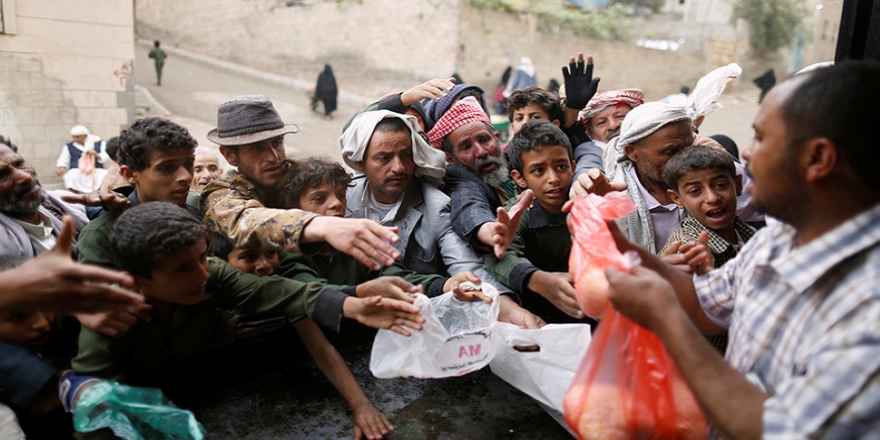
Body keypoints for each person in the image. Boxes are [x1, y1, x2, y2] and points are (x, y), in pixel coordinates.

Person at [603, 60, 880, 439]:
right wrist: (625, 253)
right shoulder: (777, 239)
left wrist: (667, 319)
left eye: (762, 138)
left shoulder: (869, 313)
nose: (746, 154)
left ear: (817, 159)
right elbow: (708, 307)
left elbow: (777, 430)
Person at [71, 202, 423, 438]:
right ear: (138, 280)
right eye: (181, 269)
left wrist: (354, 304)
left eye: (201, 259)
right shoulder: (108, 318)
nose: (200, 275)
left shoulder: (212, 274)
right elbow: (96, 407)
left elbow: (279, 293)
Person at [274, 157, 543, 330]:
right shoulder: (288, 253)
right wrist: (364, 291)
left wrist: (446, 285)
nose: (335, 204)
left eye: (339, 195)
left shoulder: (356, 241)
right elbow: (315, 295)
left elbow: (394, 275)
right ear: (291, 209)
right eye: (319, 199)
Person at [340, 110, 542, 328]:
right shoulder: (339, 201)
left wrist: (512, 312)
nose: (398, 167)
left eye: (406, 155)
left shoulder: (435, 205)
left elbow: (468, 268)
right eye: (384, 158)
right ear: (360, 163)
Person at [208, 233, 394, 440]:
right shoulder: (208, 299)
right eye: (249, 257)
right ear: (220, 264)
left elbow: (321, 349)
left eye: (270, 253)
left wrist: (361, 405)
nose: (264, 265)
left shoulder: (286, 295)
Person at [202, 94, 402, 271]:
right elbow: (246, 220)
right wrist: (320, 225)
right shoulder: (221, 194)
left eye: (277, 143)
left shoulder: (298, 174)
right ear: (230, 156)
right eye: (257, 148)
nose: (273, 157)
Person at [573, 101, 762, 255]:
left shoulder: (717, 176)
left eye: (688, 147)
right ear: (632, 152)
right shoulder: (615, 200)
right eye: (669, 151)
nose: (682, 158)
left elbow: (778, 205)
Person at [485, 120, 587, 323]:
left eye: (561, 166)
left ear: (573, 167)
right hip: (540, 322)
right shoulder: (518, 214)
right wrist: (536, 279)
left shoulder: (588, 205)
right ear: (520, 178)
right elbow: (499, 256)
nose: (554, 178)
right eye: (539, 170)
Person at [660, 145, 757, 354]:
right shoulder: (688, 251)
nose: (712, 197)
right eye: (695, 191)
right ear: (676, 198)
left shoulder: (748, 233)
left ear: (738, 184)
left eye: (720, 185)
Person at [427, 97, 533, 259]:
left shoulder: (517, 158)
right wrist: (491, 231)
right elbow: (468, 206)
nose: (481, 152)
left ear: (496, 138)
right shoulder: (461, 179)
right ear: (449, 159)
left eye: (485, 140)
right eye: (466, 147)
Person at [574, 89, 645, 177]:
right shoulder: (591, 151)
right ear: (592, 134)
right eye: (601, 123)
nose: (612, 126)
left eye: (620, 116)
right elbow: (586, 170)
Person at [55, 125, 109, 194]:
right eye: (73, 137)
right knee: (70, 176)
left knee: (104, 175)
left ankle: (98, 195)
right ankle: (76, 196)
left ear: (85, 136)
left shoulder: (98, 143)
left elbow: (105, 156)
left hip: (95, 169)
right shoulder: (69, 146)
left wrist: (96, 155)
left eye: (78, 137)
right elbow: (63, 159)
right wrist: (61, 167)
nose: (75, 139)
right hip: (77, 169)